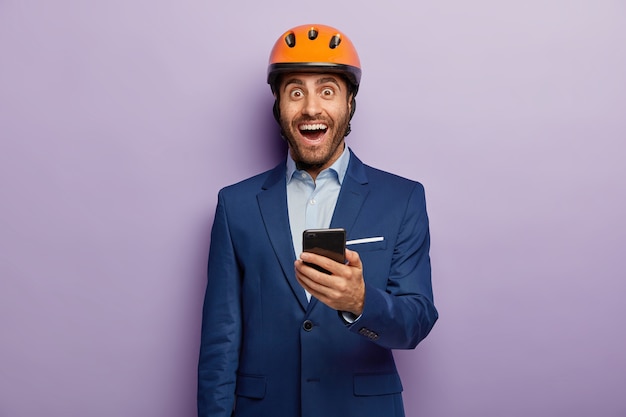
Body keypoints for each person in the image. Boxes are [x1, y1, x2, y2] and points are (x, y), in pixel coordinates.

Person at [198, 24, 438, 417]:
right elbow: (220, 342)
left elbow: (416, 321)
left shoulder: (403, 198)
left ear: (350, 103)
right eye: (295, 92)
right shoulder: (235, 205)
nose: (311, 107)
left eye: (327, 91)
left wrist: (361, 302)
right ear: (278, 105)